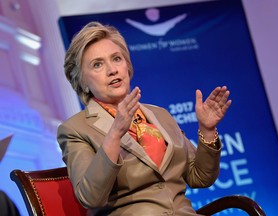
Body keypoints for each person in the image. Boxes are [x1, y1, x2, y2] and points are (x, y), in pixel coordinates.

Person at [57, 21, 232, 216]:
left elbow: (199, 177)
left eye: (116, 59)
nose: (112, 70)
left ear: (127, 66)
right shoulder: (75, 129)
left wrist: (207, 130)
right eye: (97, 64)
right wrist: (114, 134)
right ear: (82, 81)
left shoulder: (160, 115)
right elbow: (90, 197)